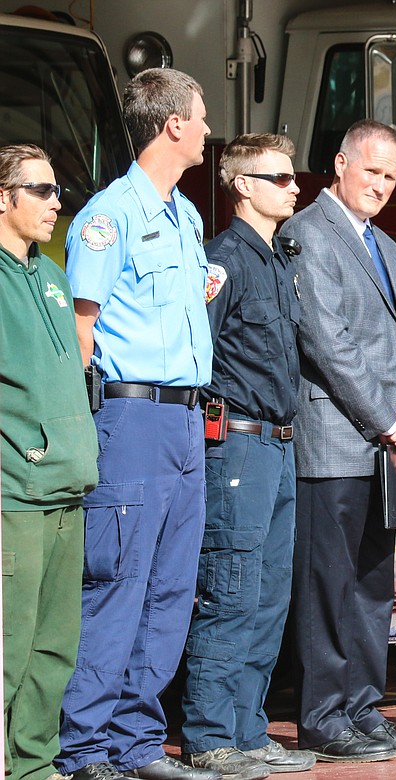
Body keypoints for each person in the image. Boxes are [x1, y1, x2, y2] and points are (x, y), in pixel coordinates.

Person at [57, 69, 221, 780]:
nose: (210, 131)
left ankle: (136, 740)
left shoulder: (184, 216)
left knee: (170, 588)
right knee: (118, 582)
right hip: (131, 415)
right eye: (204, 118)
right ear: (174, 125)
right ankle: (87, 745)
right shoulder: (109, 213)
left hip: (185, 420)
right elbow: (81, 329)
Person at [281, 119, 396, 763]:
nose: (381, 185)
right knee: (328, 585)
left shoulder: (389, 248)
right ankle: (322, 716)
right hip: (338, 442)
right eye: (371, 170)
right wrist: (388, 419)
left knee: (377, 585)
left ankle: (366, 708)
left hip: (392, 445)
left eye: (391, 175)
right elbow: (327, 343)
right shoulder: (305, 235)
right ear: (339, 164)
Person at [179, 134, 315, 778]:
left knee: (267, 595)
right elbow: (197, 358)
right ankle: (209, 735)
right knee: (230, 590)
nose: (294, 187)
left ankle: (247, 728)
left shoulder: (276, 260)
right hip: (238, 441)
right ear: (242, 185)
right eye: (281, 177)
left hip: (280, 444)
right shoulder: (223, 262)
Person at [0, 144, 98, 780]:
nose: (56, 202)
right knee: (7, 652)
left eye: (56, 190)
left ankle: (35, 767)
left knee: (53, 649)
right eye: (40, 190)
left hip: (67, 486)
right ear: (3, 198)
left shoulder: (56, 275)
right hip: (14, 494)